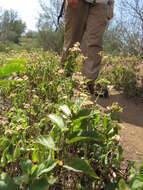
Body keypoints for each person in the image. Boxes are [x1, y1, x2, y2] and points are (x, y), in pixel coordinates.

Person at [61, 0, 114, 96]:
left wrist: (111, 4)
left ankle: (88, 82)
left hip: (101, 4)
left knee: (94, 42)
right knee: (72, 41)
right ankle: (64, 77)